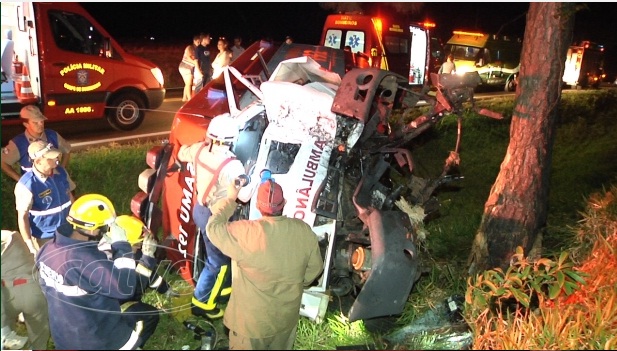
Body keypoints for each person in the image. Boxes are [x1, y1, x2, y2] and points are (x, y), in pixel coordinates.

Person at [206, 178, 324, 350]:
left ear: (258, 207)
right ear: (283, 203)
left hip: (251, 325)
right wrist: (299, 282)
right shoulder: (303, 230)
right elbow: (315, 269)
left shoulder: (244, 232)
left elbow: (213, 228)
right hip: (285, 320)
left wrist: (231, 199)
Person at [35, 194, 154, 350]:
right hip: (97, 339)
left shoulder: (47, 249)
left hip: (64, 336)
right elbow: (125, 288)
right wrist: (122, 247)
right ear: (92, 231)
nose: (107, 232)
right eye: (105, 228)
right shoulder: (85, 260)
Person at [176, 113, 257, 320]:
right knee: (218, 262)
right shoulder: (232, 166)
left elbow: (181, 154)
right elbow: (245, 196)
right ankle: (201, 304)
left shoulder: (199, 150)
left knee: (217, 255)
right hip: (217, 218)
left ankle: (222, 290)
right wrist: (253, 176)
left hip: (200, 210)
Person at [98, 215, 166, 345]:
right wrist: (148, 258)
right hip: (108, 312)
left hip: (104, 304)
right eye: (137, 242)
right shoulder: (109, 262)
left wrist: (165, 288)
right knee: (150, 315)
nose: (140, 245)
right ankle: (132, 345)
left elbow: (144, 272)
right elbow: (131, 291)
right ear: (126, 242)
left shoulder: (111, 246)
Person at [15, 140, 75, 255]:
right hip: (46, 239)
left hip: (68, 231)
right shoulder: (27, 185)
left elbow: (70, 196)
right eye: (50, 157)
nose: (56, 158)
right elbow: (22, 217)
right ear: (38, 161)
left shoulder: (60, 172)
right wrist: (29, 245)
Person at [1, 230, 50, 350]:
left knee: (4, 340)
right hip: (32, 289)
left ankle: (5, 335)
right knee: (39, 336)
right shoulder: (13, 237)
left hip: (5, 293)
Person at [1, 105, 71, 182]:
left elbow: (67, 150)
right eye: (35, 122)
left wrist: (62, 169)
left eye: (42, 121)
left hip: (57, 181)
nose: (40, 124)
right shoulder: (18, 143)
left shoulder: (52, 135)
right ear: (26, 124)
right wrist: (21, 181)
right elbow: (3, 162)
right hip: (36, 185)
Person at [179, 35, 200, 101]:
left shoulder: (197, 49)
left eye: (200, 42)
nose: (199, 43)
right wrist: (195, 64)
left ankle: (184, 97)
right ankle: (189, 98)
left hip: (189, 67)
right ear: (194, 41)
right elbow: (188, 57)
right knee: (189, 83)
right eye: (197, 41)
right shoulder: (190, 47)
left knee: (187, 83)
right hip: (185, 67)